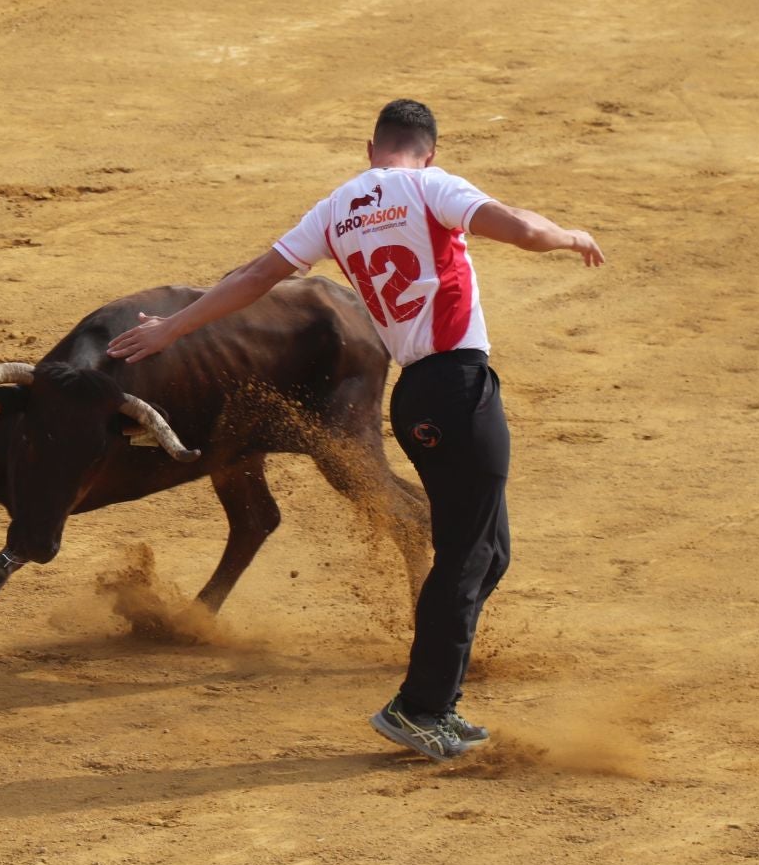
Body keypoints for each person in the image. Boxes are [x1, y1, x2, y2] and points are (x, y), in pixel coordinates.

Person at [106, 99, 604, 761]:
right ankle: (422, 707)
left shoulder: (338, 208)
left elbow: (255, 279)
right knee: (470, 556)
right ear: (428, 151)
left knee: (489, 552)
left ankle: (431, 695)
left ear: (372, 149)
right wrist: (568, 234)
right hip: (457, 388)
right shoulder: (433, 186)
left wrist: (170, 328)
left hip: (417, 395)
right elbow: (520, 229)